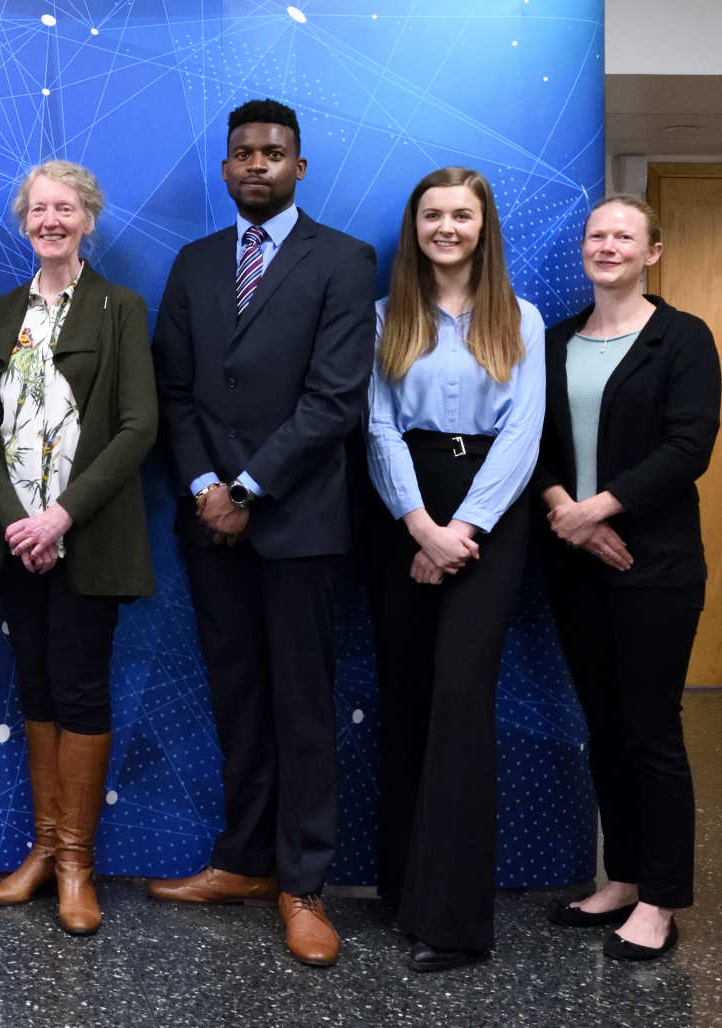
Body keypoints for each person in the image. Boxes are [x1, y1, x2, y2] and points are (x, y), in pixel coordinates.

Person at [147, 99, 376, 967]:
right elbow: (175, 390)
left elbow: (334, 400)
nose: (256, 165)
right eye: (242, 153)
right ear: (225, 167)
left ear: (299, 168)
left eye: (273, 154)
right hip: (212, 525)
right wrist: (208, 486)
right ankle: (244, 861)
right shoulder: (196, 262)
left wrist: (246, 487)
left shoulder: (346, 261)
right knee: (237, 698)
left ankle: (303, 883)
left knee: (302, 709)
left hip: (298, 523)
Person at [0, 160, 157, 935]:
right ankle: (43, 852)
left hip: (87, 540)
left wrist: (58, 519)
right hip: (16, 541)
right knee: (35, 691)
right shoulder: (4, 311)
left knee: (79, 691)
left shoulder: (119, 308)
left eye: (64, 208)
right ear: (23, 222)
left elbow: (139, 426)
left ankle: (77, 863)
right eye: (38, 209)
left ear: (88, 220)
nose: (50, 219)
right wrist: (19, 522)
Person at [364, 166, 545, 973]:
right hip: (402, 509)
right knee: (405, 698)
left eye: (461, 215)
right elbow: (376, 427)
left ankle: (457, 922)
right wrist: (419, 527)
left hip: (488, 517)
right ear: (416, 227)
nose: (446, 226)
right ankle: (403, 892)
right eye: (433, 214)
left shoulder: (522, 319)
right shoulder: (383, 317)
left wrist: (460, 531)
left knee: (461, 698)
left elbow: (523, 436)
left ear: (483, 227)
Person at [537, 194, 717, 962]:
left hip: (656, 565)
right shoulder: (554, 342)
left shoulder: (682, 337)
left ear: (653, 253)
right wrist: (563, 510)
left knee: (650, 732)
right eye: (596, 235)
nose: (606, 245)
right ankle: (623, 877)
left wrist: (599, 509)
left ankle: (662, 898)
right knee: (604, 729)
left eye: (624, 236)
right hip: (575, 566)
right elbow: (532, 443)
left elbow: (688, 446)